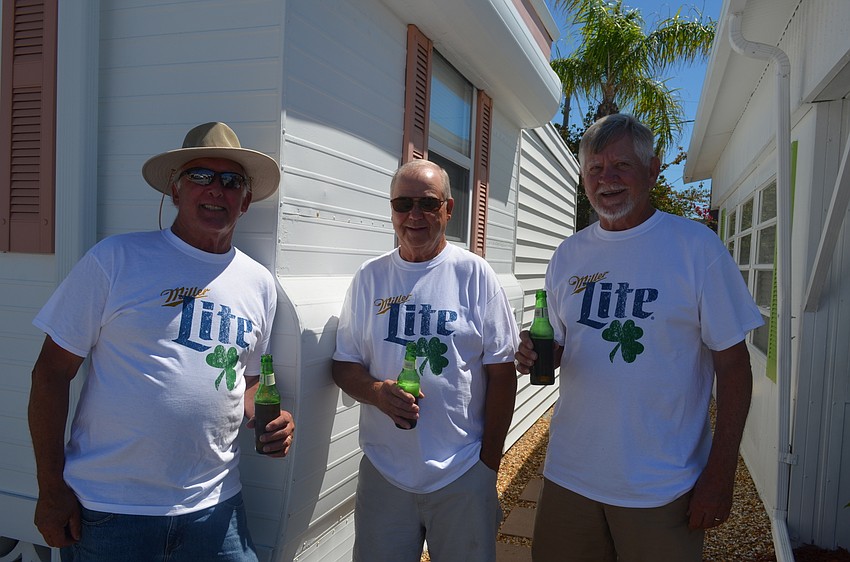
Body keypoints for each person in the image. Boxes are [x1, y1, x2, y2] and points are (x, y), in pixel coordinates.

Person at [28, 122, 295, 562]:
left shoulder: (259, 283)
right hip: (112, 512)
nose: (216, 190)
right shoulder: (115, 259)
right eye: (201, 176)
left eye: (231, 181)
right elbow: (50, 374)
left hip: (218, 510)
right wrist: (51, 488)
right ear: (175, 190)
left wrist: (270, 414)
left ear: (246, 200)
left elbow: (246, 380)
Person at [515, 113, 764, 562]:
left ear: (652, 171)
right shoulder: (569, 255)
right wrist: (536, 352)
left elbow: (734, 366)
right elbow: (560, 349)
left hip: (662, 484)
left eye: (621, 166)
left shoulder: (695, 248)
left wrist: (721, 472)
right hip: (571, 475)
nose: (606, 179)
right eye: (594, 169)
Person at [332, 159, 519, 562]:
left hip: (462, 470)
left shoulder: (475, 275)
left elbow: (502, 373)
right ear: (392, 210)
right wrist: (377, 392)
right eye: (403, 204)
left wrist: (488, 463)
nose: (414, 215)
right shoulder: (370, 277)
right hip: (385, 473)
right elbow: (344, 364)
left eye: (428, 203)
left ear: (448, 209)